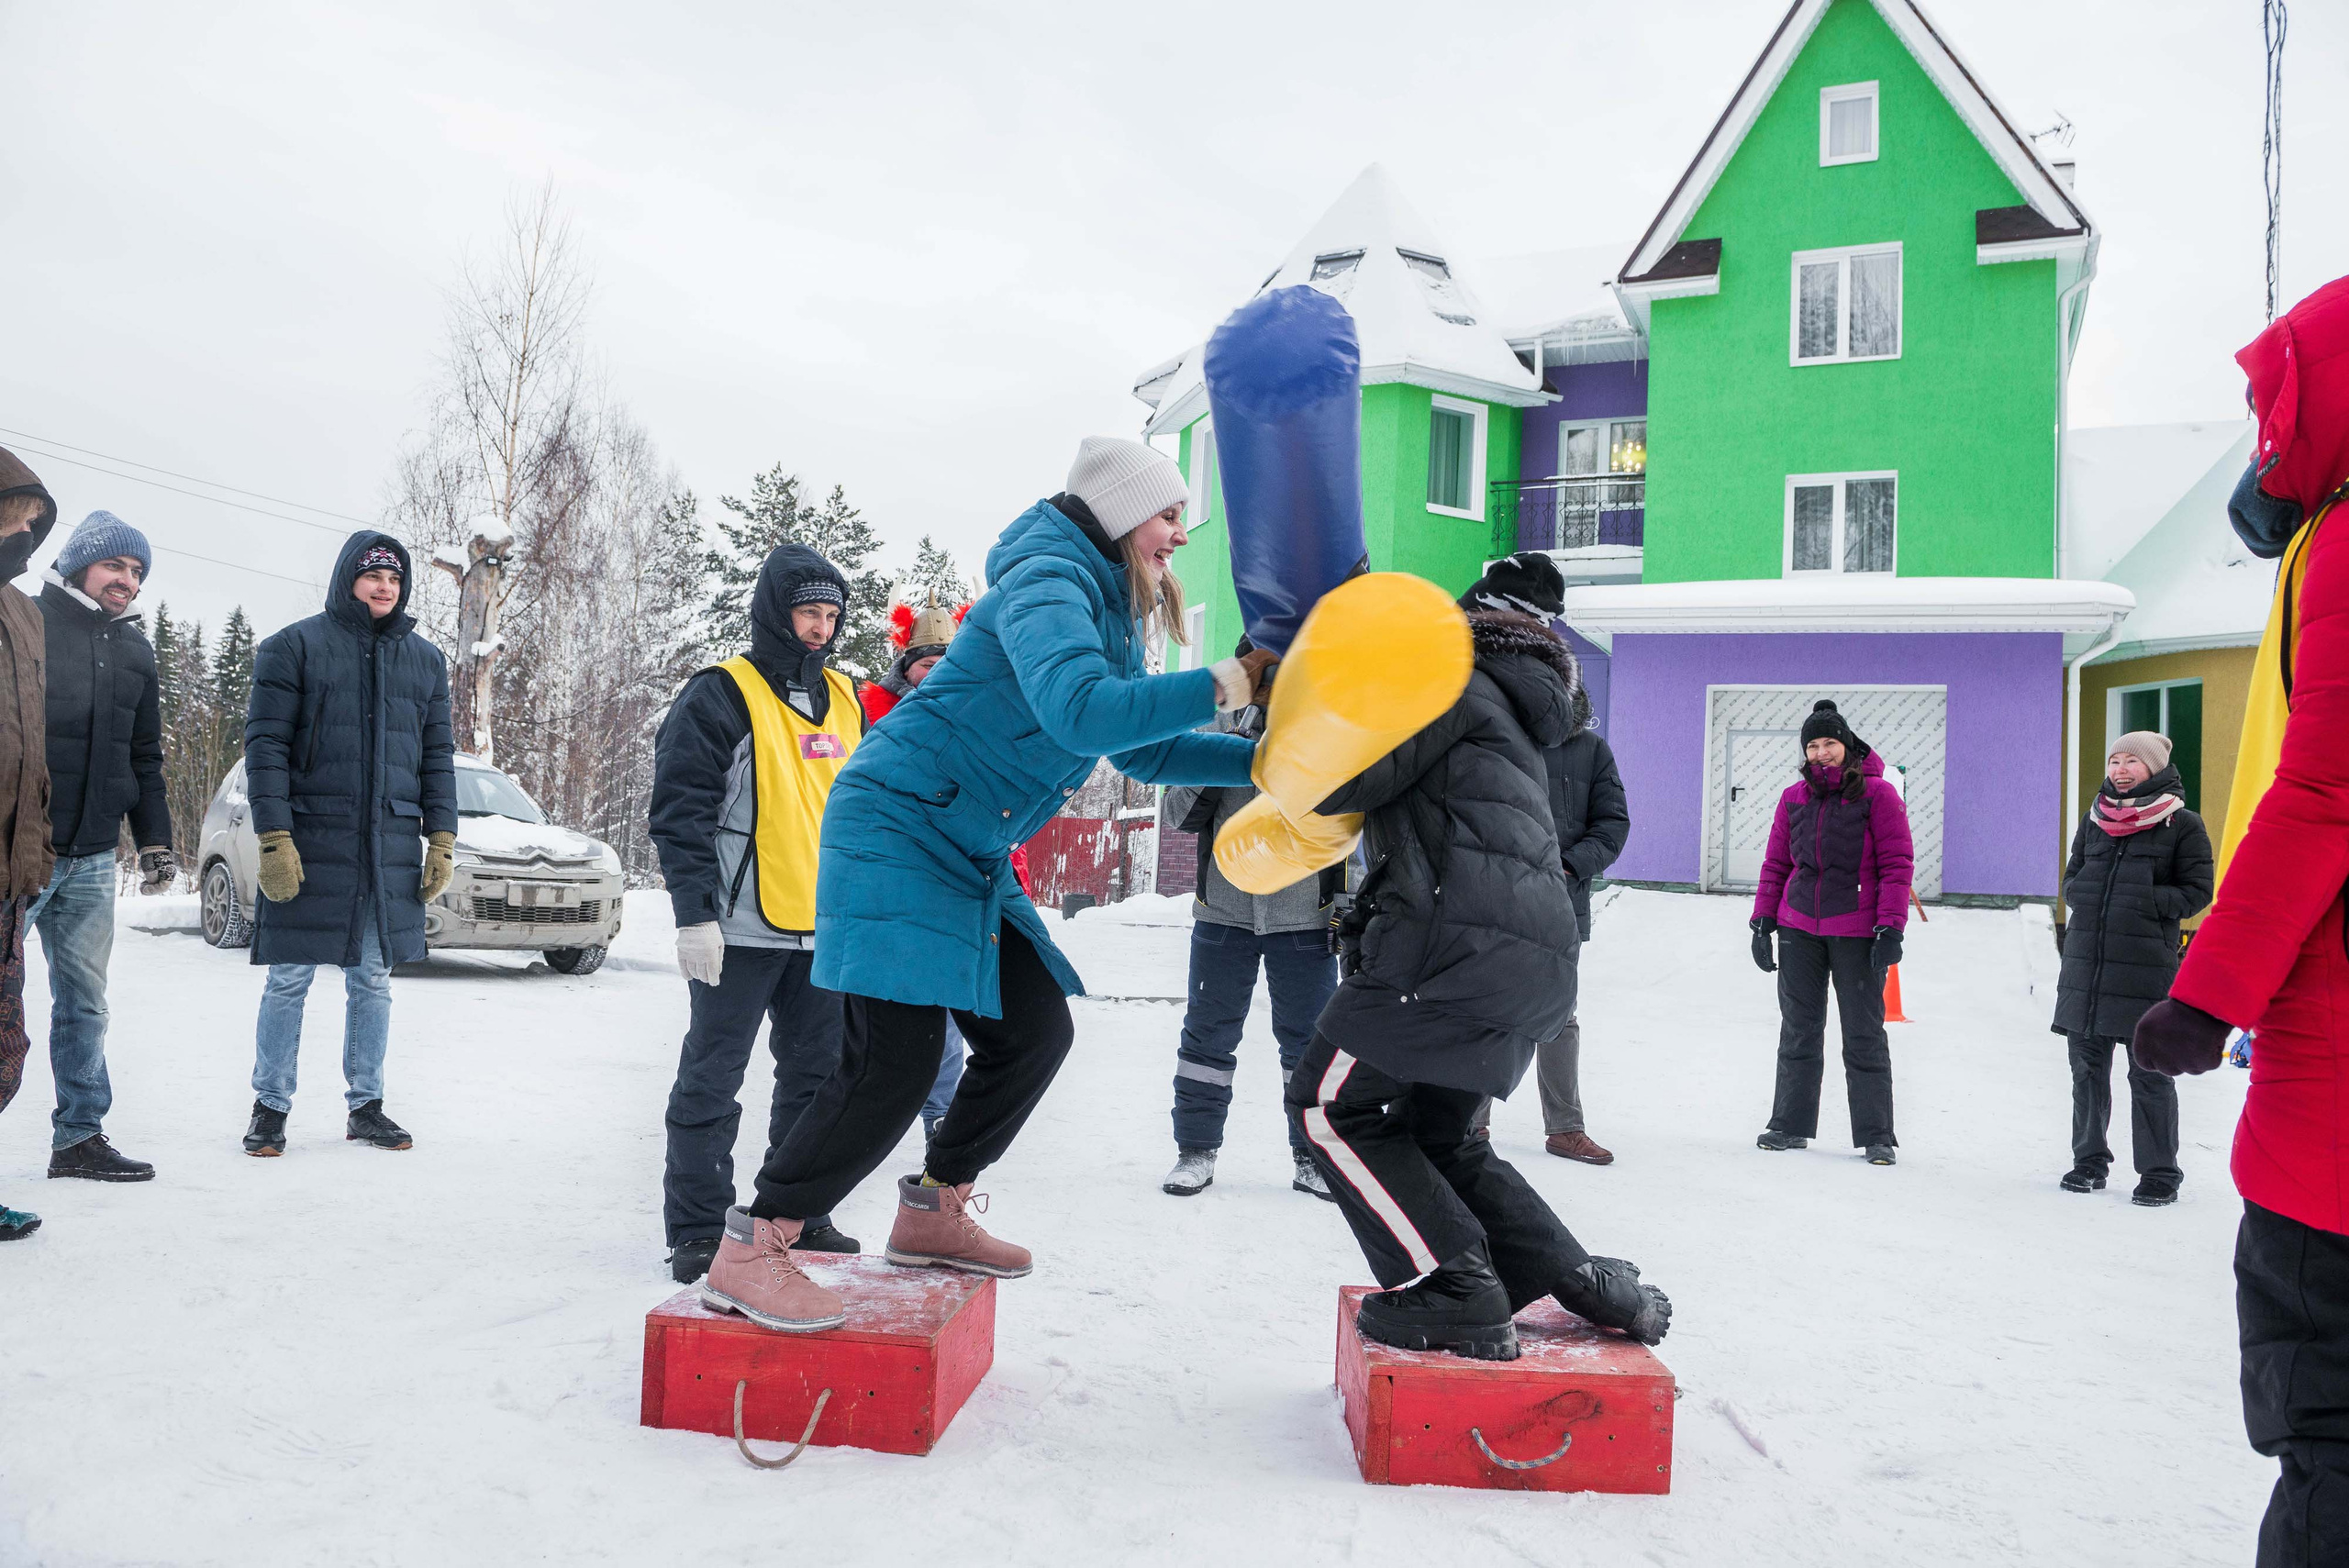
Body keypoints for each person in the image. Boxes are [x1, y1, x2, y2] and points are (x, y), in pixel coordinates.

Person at [698, 435, 1265, 1333]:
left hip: (964, 842)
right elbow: (1080, 708)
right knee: (893, 1059)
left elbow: (1136, 744)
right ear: (1121, 514)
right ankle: (753, 1244)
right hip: (900, 825)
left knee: (1034, 1026)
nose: (1177, 535)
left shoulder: (1104, 602)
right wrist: (1232, 679)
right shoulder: (1049, 580)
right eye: (1167, 514)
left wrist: (1260, 757)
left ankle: (933, 1209)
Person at [1285, 607, 1668, 1360]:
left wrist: (1307, 698)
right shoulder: (1514, 710)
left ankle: (1457, 1285)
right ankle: (1583, 1279)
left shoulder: (1448, 686)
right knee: (1442, 1137)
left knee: (1326, 1104)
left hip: (1450, 954)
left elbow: (1333, 781)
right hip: (1527, 961)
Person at [2132, 276, 2349, 1566]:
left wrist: (2208, 994)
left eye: (2278, 406)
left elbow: (2323, 789)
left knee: (2326, 1424)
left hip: (2333, 1109)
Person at [651, 544, 866, 1283]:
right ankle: (699, 1229)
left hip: (824, 930)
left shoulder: (847, 698)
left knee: (818, 1081)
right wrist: (692, 915)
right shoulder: (721, 693)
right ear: (777, 611)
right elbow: (680, 811)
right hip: (737, 929)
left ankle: (792, 1216)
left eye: (832, 615)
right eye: (809, 611)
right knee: (712, 1078)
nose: (820, 628)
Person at [239, 533, 455, 1157]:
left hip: (384, 846)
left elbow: (436, 757)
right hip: (311, 843)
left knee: (373, 980)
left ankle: (367, 1106)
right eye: (372, 575)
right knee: (288, 980)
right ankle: (270, 1108)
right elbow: (267, 748)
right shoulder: (294, 646)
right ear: (347, 579)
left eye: (394, 576)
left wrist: (441, 836)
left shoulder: (425, 660)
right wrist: (274, 836)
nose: (384, 585)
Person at [1458, 554, 1630, 1164]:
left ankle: (1565, 1126)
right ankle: (1469, 1125)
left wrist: (1568, 865)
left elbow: (1613, 825)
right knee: (1484, 1012)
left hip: (1558, 902)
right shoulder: (1503, 730)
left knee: (1558, 1015)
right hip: (1493, 894)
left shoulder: (1589, 752)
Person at [1159, 650, 1340, 1203]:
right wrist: (1223, 757)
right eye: (1261, 677)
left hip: (1306, 916)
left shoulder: (1328, 733)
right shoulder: (1214, 725)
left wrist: (1350, 902)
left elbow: (1353, 823)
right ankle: (1196, 1150)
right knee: (1207, 1039)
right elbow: (1177, 815)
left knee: (1309, 1045)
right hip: (1225, 913)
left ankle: (1312, 1158)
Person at [30, 512, 173, 1184]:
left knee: (86, 1001)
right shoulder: (28, 621)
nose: (128, 580)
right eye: (117, 565)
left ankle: (80, 1135)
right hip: (20, 850)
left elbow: (144, 755)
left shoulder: (135, 650)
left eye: (138, 572)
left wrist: (155, 842)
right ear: (81, 561)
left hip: (90, 858)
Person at [1749, 700, 1912, 1165]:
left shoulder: (1878, 796)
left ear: (1848, 746)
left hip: (1858, 931)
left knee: (1863, 1031)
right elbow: (1777, 862)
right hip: (1798, 927)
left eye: (1830, 744)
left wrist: (1890, 926)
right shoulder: (1793, 798)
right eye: (1813, 745)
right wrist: (1763, 920)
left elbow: (1896, 864)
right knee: (1799, 1028)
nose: (1821, 753)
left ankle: (1877, 1134)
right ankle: (1788, 1124)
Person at [2051, 731, 2211, 1206]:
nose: (2119, 769)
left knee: (2150, 1074)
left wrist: (2144, 900)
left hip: (2145, 969)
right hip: (2088, 968)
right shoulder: (2095, 818)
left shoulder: (2183, 824)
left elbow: (2198, 890)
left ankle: (2160, 1173)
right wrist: (2083, 896)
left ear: (2155, 768)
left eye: (2130, 762)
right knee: (2086, 1069)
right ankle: (2089, 1162)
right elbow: (2073, 878)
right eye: (2114, 760)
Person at [0, 448, 57, 1241]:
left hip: (10, 867)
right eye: (13, 513)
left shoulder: (24, 612)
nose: (22, 530)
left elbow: (31, 748)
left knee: (4, 1040)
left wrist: (35, 850)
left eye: (32, 522)